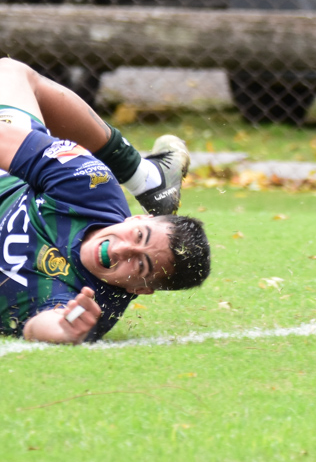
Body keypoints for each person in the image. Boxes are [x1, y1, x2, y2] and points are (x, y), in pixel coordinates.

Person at [0, 58, 205, 343]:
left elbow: (42, 325)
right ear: (137, 219)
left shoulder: (93, 305)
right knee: (9, 72)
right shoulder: (89, 184)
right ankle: (145, 177)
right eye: (138, 235)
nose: (123, 249)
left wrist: (64, 330)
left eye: (141, 264)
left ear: (141, 289)